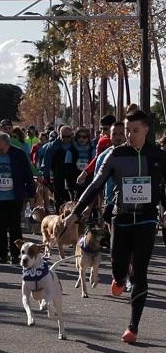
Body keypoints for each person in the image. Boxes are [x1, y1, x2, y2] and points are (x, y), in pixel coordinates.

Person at [64, 110, 163, 343]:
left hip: (147, 219)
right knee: (119, 265)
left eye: (134, 130)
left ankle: (133, 327)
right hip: (122, 217)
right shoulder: (115, 155)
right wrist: (76, 213)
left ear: (146, 130)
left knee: (140, 272)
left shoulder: (158, 155)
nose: (129, 135)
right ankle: (118, 279)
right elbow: (96, 185)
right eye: (127, 130)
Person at [0, 133, 35, 264]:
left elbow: (28, 174)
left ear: (6, 143)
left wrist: (31, 194)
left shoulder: (19, 154)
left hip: (14, 197)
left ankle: (16, 255)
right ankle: (2, 254)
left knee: (15, 226)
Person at [40, 125, 74, 211]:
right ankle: (59, 215)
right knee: (59, 197)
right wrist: (46, 176)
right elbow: (46, 162)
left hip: (72, 174)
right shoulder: (52, 146)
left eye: (68, 136)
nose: (66, 139)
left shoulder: (75, 144)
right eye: (64, 136)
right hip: (57, 174)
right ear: (59, 135)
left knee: (72, 197)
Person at [64, 127, 94, 200]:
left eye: (84, 137)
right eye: (79, 136)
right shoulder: (70, 151)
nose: (81, 139)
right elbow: (67, 169)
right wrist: (70, 184)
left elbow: (95, 166)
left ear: (88, 138)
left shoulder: (92, 150)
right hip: (74, 183)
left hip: (89, 182)